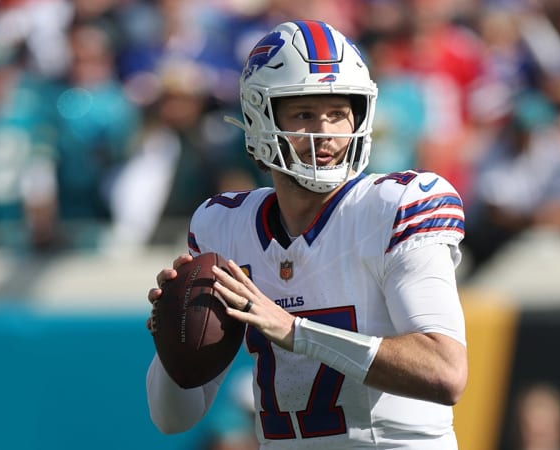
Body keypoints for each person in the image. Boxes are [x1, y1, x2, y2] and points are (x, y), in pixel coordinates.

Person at [145, 20, 468, 449]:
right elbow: (173, 419)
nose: (326, 133)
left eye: (338, 113)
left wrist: (296, 331)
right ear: (260, 118)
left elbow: (445, 372)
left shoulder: (396, 206)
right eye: (304, 114)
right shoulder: (223, 226)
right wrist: (172, 341)